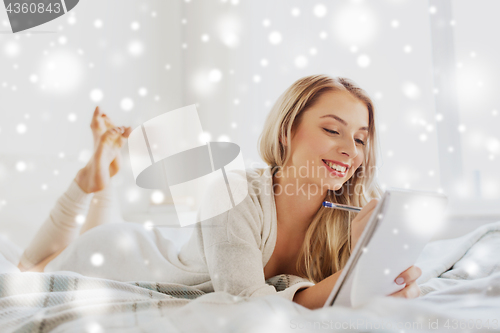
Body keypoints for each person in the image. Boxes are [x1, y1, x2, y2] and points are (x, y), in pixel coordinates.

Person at [17, 75, 422, 310]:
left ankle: (99, 181)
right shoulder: (233, 189)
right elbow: (247, 300)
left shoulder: (352, 212)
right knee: (28, 271)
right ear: (286, 131)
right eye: (332, 130)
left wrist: (388, 276)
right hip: (126, 256)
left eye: (361, 138)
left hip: (150, 245)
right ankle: (91, 182)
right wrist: (353, 278)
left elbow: (343, 291)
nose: (350, 150)